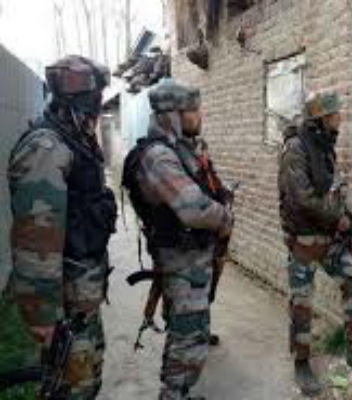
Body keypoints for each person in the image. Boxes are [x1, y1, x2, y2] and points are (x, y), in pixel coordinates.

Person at [6, 55, 116, 399]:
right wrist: (43, 317)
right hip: (64, 308)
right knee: (72, 387)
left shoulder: (76, 140)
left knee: (86, 380)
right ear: (83, 99)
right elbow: (37, 240)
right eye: (96, 97)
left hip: (81, 300)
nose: (98, 106)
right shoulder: (47, 147)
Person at [122, 80, 232, 400]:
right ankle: (173, 394)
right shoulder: (158, 157)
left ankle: (178, 391)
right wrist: (225, 218)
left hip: (193, 259)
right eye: (193, 110)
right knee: (188, 341)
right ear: (173, 115)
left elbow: (203, 186)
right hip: (181, 261)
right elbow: (194, 209)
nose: (199, 115)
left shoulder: (180, 149)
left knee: (188, 331)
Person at [277, 91, 352, 396]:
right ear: (320, 119)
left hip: (329, 237)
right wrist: (337, 215)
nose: (339, 119)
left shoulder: (324, 146)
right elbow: (303, 199)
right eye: (334, 115)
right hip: (304, 239)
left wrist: (342, 213)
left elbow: (330, 189)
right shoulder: (295, 148)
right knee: (302, 302)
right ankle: (301, 363)